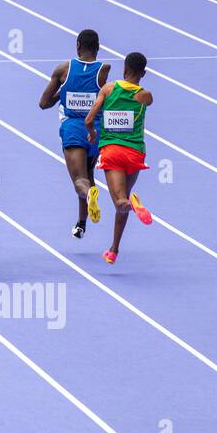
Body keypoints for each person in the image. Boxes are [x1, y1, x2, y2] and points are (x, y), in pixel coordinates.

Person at [38, 29, 110, 240]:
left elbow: (43, 103)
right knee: (88, 174)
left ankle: (90, 196)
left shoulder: (64, 70)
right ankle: (81, 224)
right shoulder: (103, 72)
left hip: (73, 131)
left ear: (78, 45)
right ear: (98, 48)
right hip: (95, 132)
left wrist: (64, 92)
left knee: (80, 180)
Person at [85, 53, 154, 265]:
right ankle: (114, 249)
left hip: (112, 152)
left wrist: (93, 133)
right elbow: (144, 101)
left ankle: (133, 205)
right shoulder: (145, 95)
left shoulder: (108, 89)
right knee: (122, 200)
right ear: (143, 73)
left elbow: (89, 119)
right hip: (135, 154)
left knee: (120, 202)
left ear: (124, 68)